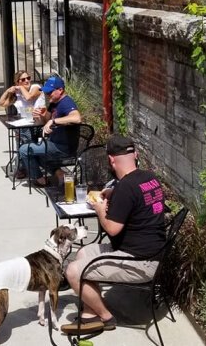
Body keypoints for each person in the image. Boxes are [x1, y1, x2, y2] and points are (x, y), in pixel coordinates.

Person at [61, 135, 167, 334]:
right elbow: (136, 201)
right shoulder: (148, 178)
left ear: (111, 159)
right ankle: (90, 311)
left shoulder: (126, 187)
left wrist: (100, 208)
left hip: (139, 262)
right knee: (84, 253)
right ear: (135, 154)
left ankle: (105, 317)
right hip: (150, 252)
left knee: (73, 271)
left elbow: (112, 229)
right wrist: (113, 194)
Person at [17, 75, 81, 186]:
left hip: (62, 147)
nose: (47, 95)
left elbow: (77, 118)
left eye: (49, 92)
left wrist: (54, 121)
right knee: (35, 153)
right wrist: (42, 115)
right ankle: (61, 175)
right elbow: (46, 120)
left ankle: (39, 179)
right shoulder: (53, 103)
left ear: (60, 90)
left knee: (23, 149)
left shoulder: (66, 102)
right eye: (46, 92)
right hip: (53, 143)